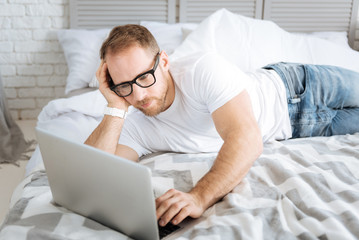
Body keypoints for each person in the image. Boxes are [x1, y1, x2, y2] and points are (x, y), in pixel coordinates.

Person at [85, 24, 359, 227]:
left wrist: (199, 197)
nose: (138, 95)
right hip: (298, 129)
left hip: (298, 88)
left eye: (144, 77)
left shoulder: (201, 70)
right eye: (123, 85)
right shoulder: (135, 122)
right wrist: (115, 105)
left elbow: (247, 139)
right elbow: (92, 173)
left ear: (164, 62)